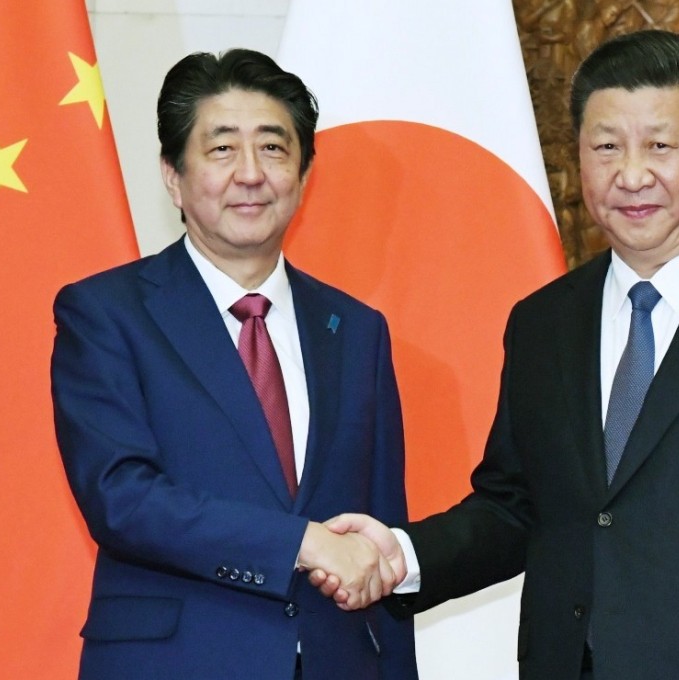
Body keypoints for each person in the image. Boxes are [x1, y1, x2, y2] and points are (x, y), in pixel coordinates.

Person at [314, 30, 679, 679]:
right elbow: (516, 507)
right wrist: (401, 554)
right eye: (606, 147)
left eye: (659, 145)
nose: (631, 175)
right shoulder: (544, 321)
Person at [51, 49, 416, 680]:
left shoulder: (357, 330)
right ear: (173, 175)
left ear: (303, 174)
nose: (250, 174)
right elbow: (121, 497)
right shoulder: (106, 313)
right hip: (172, 663)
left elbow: (380, 534)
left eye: (273, 148)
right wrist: (301, 543)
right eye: (222, 149)